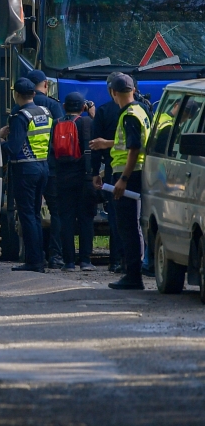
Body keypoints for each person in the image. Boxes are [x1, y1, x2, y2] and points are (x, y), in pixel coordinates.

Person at [90, 74, 150, 290]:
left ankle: (133, 276)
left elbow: (134, 148)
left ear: (113, 93)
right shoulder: (140, 110)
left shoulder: (129, 116)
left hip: (129, 175)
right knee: (132, 225)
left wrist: (123, 179)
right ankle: (132, 273)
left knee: (128, 227)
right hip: (135, 173)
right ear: (133, 89)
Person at [0, 77, 52, 272]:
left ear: (16, 95)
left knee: (27, 215)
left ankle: (34, 261)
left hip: (25, 169)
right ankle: (39, 257)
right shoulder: (45, 112)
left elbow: (13, 148)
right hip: (42, 167)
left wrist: (0, 139)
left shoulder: (20, 117)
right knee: (36, 214)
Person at [53, 92, 97, 271]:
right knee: (86, 219)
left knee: (67, 219)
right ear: (82, 107)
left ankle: (69, 262)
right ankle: (85, 260)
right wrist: (92, 113)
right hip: (85, 178)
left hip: (63, 178)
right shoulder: (87, 122)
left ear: (64, 107)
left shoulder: (57, 123)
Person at [25, 70, 65, 268]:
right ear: (45, 85)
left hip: (30, 166)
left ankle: (35, 255)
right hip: (52, 166)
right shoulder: (54, 106)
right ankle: (56, 255)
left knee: (32, 212)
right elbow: (62, 135)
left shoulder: (23, 107)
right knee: (56, 211)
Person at [91, 75, 124, 272]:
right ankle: (134, 260)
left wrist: (95, 172)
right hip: (139, 171)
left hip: (114, 170)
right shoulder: (142, 109)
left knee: (115, 217)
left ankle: (116, 260)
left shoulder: (103, 111)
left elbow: (95, 145)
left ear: (111, 91)